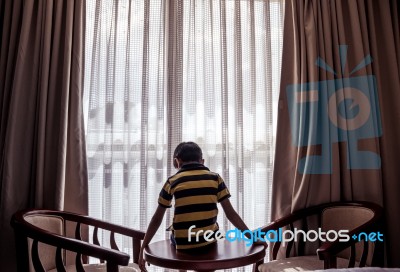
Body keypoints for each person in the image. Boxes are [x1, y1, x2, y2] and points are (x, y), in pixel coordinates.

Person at [138, 142, 261, 271]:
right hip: (208, 241)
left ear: (177, 162)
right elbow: (231, 214)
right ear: (202, 161)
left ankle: (182, 269)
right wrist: (252, 237)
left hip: (183, 244)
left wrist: (143, 248)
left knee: (178, 236)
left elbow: (156, 219)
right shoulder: (215, 178)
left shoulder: (172, 181)